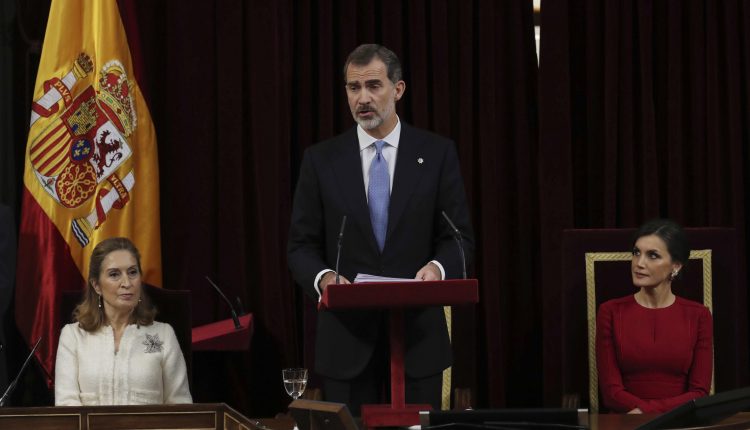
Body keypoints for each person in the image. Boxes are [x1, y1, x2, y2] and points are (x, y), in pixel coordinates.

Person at [288, 44, 474, 413]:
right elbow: (300, 245)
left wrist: (437, 269)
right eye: (353, 88)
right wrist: (325, 278)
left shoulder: (436, 154)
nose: (363, 98)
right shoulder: (321, 160)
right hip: (347, 341)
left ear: (398, 89)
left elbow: (459, 239)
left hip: (417, 340)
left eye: (374, 85)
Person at [55, 237, 192, 405]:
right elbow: (66, 407)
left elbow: (182, 407)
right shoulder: (72, 336)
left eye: (132, 272)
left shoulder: (163, 334)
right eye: (114, 274)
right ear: (96, 285)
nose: (127, 283)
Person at [596, 219, 713, 414]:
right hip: (627, 420)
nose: (639, 263)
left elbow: (699, 392)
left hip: (680, 422)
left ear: (675, 266)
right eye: (636, 253)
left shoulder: (699, 315)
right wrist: (640, 414)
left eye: (653, 255)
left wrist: (647, 412)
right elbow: (611, 392)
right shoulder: (610, 312)